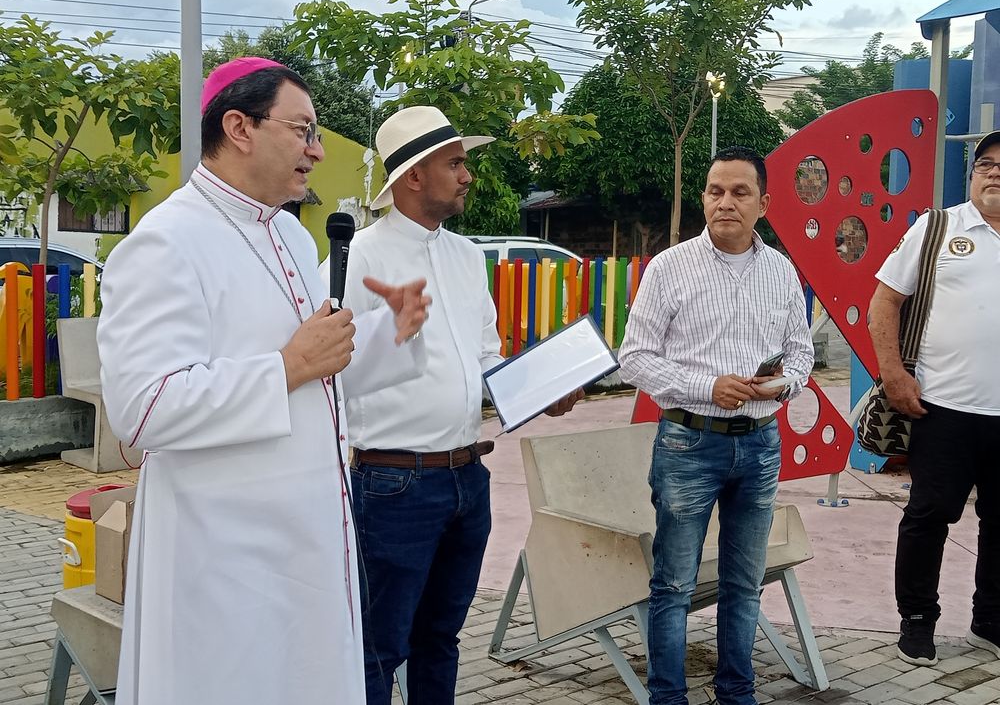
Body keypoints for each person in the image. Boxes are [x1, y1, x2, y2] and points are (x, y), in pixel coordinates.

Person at [97, 57, 430, 705]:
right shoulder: (165, 242)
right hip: (223, 555)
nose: (317, 150)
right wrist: (288, 365)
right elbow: (142, 409)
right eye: (303, 130)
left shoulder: (291, 237)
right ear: (239, 128)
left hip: (308, 539)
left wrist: (390, 333)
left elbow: (316, 381)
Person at [323, 105, 583, 704]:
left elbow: (486, 357)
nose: (468, 175)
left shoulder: (467, 256)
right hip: (393, 484)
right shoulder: (357, 258)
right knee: (378, 649)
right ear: (414, 176)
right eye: (456, 163)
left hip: (468, 477)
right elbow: (328, 367)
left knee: (440, 639)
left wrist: (540, 388)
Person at [619, 146, 814, 705]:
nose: (725, 202)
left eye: (739, 192)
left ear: (764, 204)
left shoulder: (781, 271)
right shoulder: (669, 267)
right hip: (688, 442)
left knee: (744, 583)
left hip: (760, 444)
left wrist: (780, 385)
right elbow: (635, 357)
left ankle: (736, 692)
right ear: (703, 197)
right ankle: (667, 696)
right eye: (715, 191)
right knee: (674, 584)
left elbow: (800, 355)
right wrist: (709, 387)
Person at [869, 130, 1000, 667]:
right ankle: (918, 621)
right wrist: (893, 374)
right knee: (928, 517)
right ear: (971, 175)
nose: (995, 172)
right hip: (942, 408)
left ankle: (990, 622)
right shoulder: (938, 227)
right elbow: (884, 302)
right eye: (986, 163)